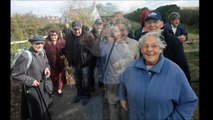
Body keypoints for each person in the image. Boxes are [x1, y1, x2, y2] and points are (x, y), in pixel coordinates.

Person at [118, 31, 198, 120]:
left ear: (161, 49)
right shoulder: (131, 68)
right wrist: (122, 97)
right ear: (141, 49)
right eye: (145, 46)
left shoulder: (175, 72)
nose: (149, 49)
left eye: (154, 46)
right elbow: (122, 81)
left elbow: (189, 101)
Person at [11, 35, 53, 120]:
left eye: (42, 43)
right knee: (36, 111)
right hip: (33, 88)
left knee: (45, 105)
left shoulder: (42, 51)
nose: (40, 45)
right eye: (37, 43)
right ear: (32, 44)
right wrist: (31, 80)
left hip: (42, 85)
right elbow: (15, 74)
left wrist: (47, 68)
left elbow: (47, 63)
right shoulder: (26, 56)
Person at [142, 11, 191, 82]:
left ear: (162, 24)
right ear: (145, 25)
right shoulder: (140, 39)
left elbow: (183, 66)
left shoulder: (174, 41)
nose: (152, 25)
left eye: (155, 22)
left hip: (168, 79)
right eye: (149, 22)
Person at [99, 26, 133, 120]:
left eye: (117, 33)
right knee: (112, 105)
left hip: (122, 80)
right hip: (110, 81)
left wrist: (120, 63)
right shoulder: (105, 47)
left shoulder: (123, 45)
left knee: (123, 103)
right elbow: (101, 57)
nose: (116, 35)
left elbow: (129, 58)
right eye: (112, 34)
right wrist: (105, 40)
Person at [64, 20, 96, 105]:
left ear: (81, 27)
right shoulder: (69, 37)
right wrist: (68, 60)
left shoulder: (88, 36)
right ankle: (79, 94)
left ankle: (87, 95)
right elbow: (66, 48)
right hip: (74, 64)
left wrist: (89, 62)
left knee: (86, 81)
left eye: (78, 29)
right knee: (77, 82)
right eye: (74, 29)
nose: (77, 31)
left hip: (85, 65)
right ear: (72, 29)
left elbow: (94, 50)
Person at [44, 29, 66, 96]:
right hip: (50, 63)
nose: (53, 36)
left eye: (55, 35)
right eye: (51, 35)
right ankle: (52, 88)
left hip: (60, 63)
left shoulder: (62, 42)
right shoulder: (46, 43)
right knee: (52, 77)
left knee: (60, 76)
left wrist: (64, 56)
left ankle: (59, 89)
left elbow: (66, 51)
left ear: (58, 35)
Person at [89, 18, 104, 92]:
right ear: (94, 25)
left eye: (100, 24)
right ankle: (92, 85)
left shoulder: (105, 33)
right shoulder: (90, 34)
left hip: (102, 55)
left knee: (103, 69)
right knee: (91, 71)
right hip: (92, 56)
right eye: (97, 24)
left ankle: (101, 83)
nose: (99, 26)